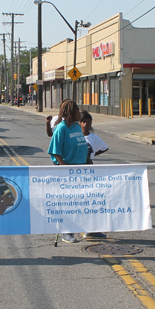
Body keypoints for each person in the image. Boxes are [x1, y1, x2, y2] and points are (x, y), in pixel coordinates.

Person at [47, 99, 88, 243]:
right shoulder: (61, 128)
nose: (80, 114)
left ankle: (89, 229)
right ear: (71, 112)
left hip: (81, 169)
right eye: (77, 111)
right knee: (68, 203)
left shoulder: (76, 127)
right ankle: (66, 232)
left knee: (82, 201)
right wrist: (63, 166)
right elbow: (55, 150)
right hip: (67, 170)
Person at [80, 110, 109, 239]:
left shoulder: (93, 138)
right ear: (79, 123)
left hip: (89, 169)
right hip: (76, 169)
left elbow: (104, 148)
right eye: (83, 122)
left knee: (90, 199)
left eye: (88, 122)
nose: (86, 124)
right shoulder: (75, 136)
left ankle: (91, 228)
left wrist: (91, 155)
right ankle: (68, 230)